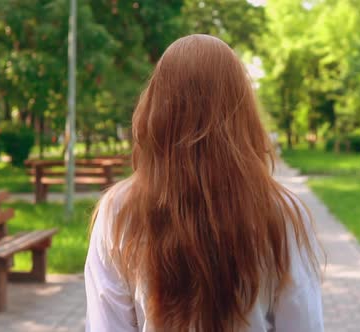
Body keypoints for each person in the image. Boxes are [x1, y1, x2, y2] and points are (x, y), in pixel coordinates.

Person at [84, 34, 323, 332]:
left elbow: (107, 326)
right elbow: (303, 325)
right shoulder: (281, 211)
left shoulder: (118, 211)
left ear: (158, 109)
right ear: (241, 110)